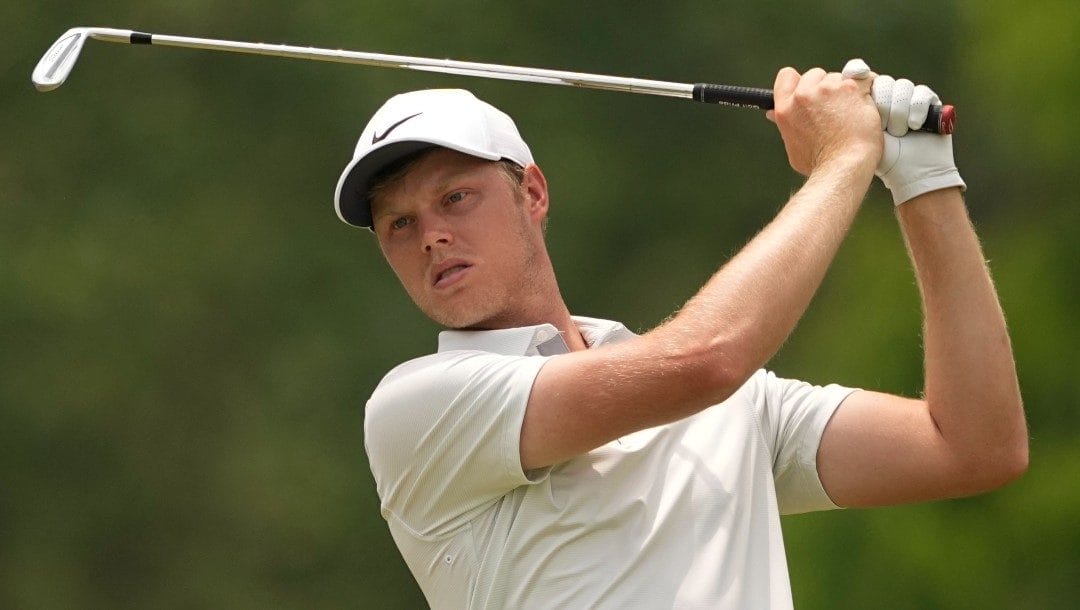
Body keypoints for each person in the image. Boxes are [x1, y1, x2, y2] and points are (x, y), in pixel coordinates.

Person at [333, 60, 1028, 608]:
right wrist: (846, 158)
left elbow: (973, 445)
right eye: (400, 223)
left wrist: (922, 179)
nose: (432, 236)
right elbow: (707, 358)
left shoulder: (736, 412)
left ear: (533, 194)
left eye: (455, 197)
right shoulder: (416, 408)